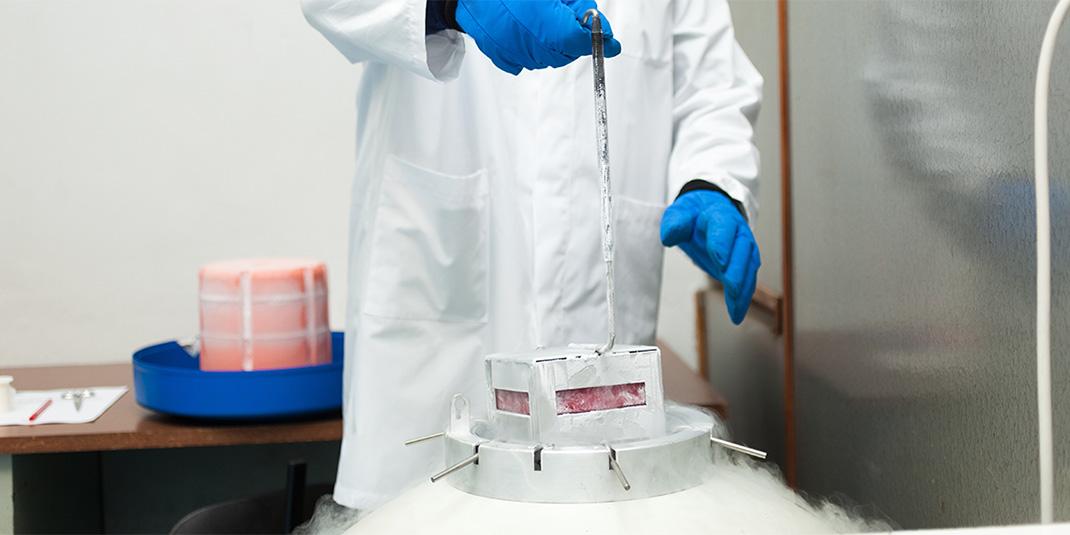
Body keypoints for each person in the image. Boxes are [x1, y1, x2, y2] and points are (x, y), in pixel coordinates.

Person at [301, 0, 762, 512]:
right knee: (426, 513)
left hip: (602, 409)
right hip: (429, 372)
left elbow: (713, 87)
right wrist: (452, 4)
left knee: (597, 503)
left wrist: (713, 181)